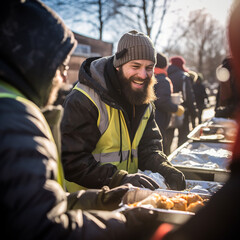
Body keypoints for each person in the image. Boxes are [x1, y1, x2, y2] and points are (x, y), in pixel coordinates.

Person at [0, 1, 160, 239]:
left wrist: (104, 198)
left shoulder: (14, 109)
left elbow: (34, 205)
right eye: (61, 65)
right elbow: (45, 228)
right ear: (37, 62)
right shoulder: (16, 117)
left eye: (149, 67)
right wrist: (124, 225)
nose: (65, 76)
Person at [150, 1, 240, 239]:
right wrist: (186, 107)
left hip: (171, 117)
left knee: (166, 141)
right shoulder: (172, 79)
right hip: (170, 116)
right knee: (166, 141)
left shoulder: (170, 77)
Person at [61, 30, 186, 192]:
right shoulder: (84, 99)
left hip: (126, 198)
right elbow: (72, 161)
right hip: (86, 203)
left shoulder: (144, 98)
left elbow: (148, 147)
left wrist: (164, 167)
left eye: (149, 68)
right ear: (118, 66)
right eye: (135, 66)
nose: (143, 75)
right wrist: (119, 178)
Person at [165, 56, 197, 155]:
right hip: (183, 112)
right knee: (183, 138)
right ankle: (179, 160)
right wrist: (193, 112)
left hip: (168, 111)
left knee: (168, 140)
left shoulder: (166, 75)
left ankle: (166, 160)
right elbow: (189, 97)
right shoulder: (183, 76)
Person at [154, 52, 184, 153]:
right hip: (159, 120)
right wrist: (176, 108)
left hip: (151, 120)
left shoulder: (151, 77)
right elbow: (162, 101)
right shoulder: (163, 80)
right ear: (165, 66)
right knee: (160, 148)